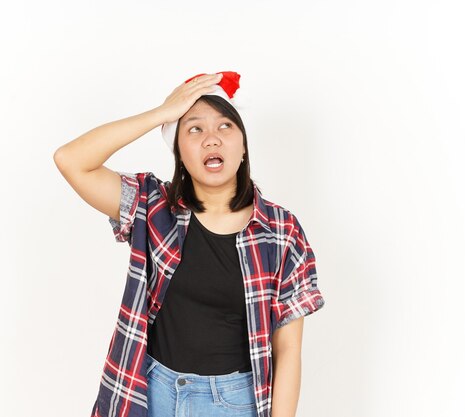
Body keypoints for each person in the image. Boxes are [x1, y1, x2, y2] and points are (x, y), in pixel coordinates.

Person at [53, 71, 326, 417]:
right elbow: (71, 161)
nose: (211, 139)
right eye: (194, 129)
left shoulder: (281, 231)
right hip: (150, 393)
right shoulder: (152, 207)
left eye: (225, 126)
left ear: (243, 145)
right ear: (179, 151)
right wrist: (162, 113)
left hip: (234, 402)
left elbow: (287, 350)